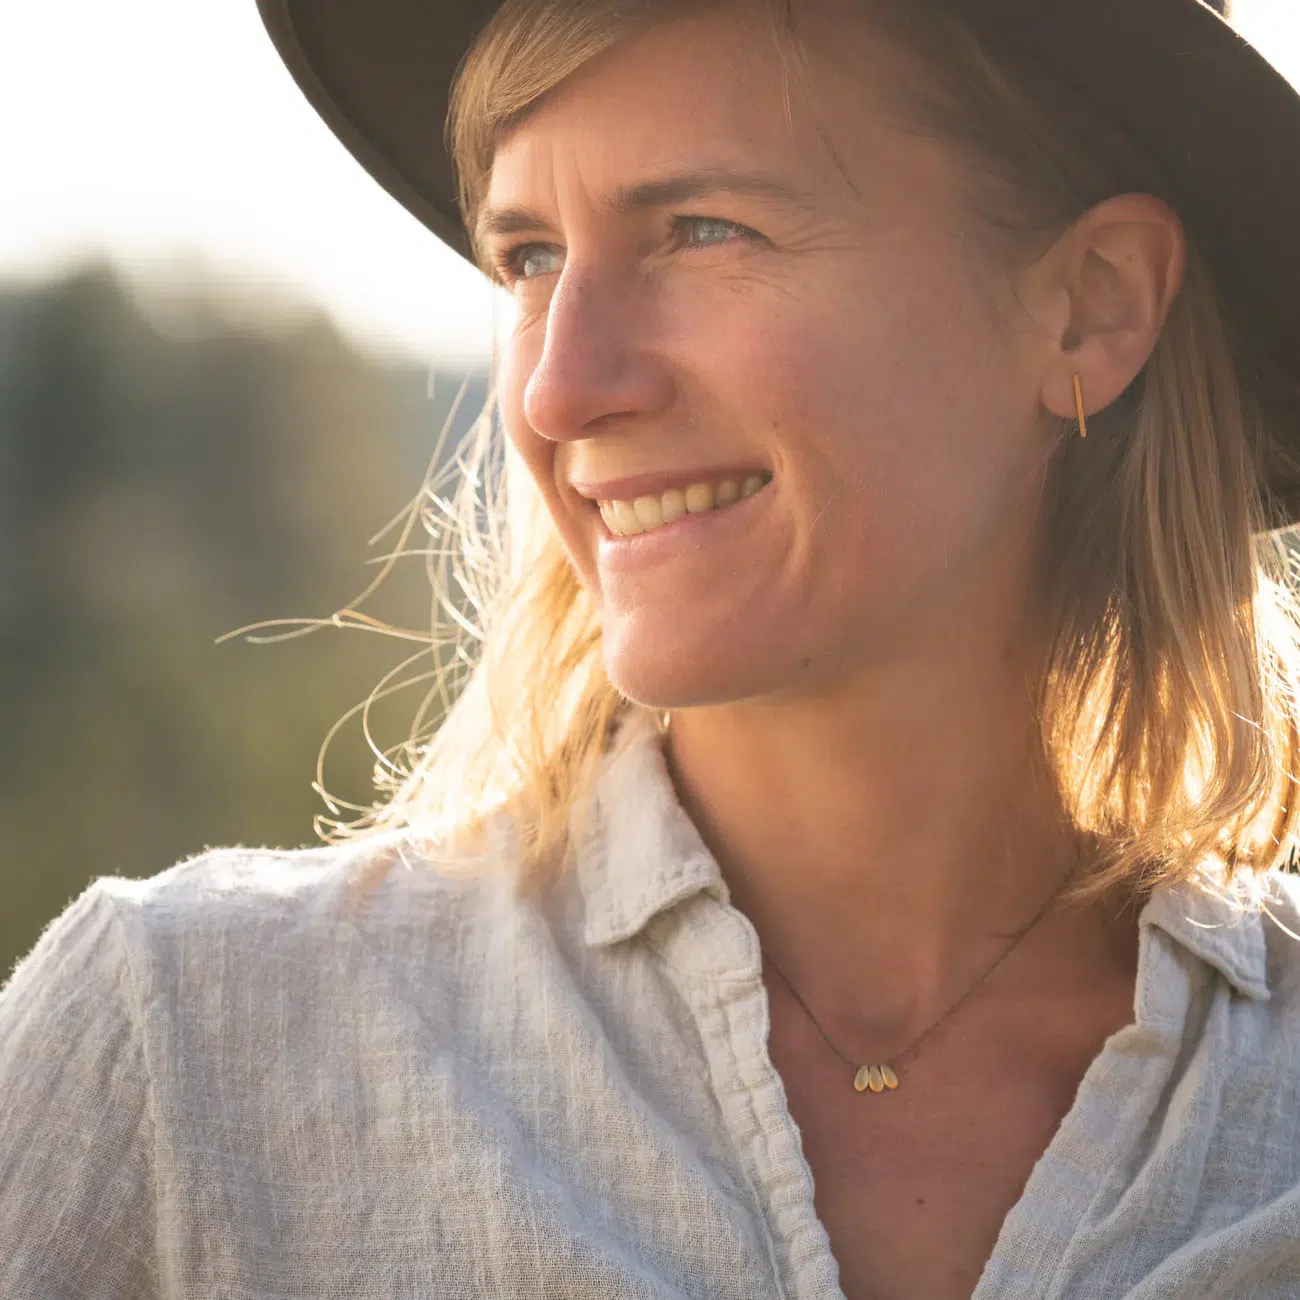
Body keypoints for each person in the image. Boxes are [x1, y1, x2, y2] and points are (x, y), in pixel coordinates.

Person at [5, 0, 1300, 1295]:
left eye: (703, 230)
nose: (560, 389)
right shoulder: (187, 1051)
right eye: (528, 257)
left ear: (1089, 306)